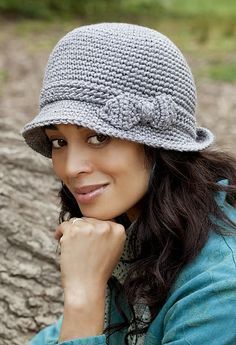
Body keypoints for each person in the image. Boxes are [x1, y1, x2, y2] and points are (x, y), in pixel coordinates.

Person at [22, 23, 236, 345]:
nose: (71, 167)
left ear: (157, 145)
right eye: (58, 142)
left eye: (98, 137)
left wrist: (84, 298)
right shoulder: (134, 232)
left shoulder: (218, 288)